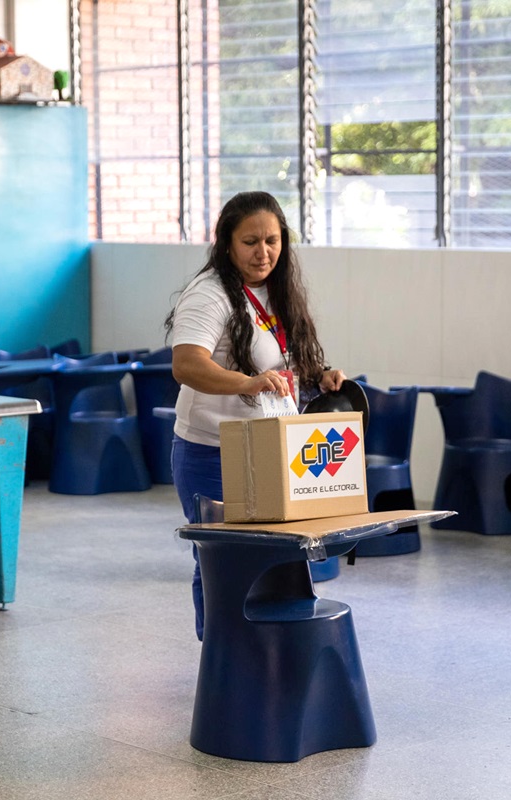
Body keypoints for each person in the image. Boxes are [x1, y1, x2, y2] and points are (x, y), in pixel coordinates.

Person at [165, 190, 347, 641]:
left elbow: (281, 361)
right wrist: (246, 381)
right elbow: (186, 364)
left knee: (276, 558)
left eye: (272, 240)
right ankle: (221, 663)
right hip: (212, 453)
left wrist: (317, 375)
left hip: (269, 450)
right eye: (250, 242)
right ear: (227, 243)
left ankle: (264, 660)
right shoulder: (209, 295)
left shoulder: (276, 290)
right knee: (221, 563)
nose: (263, 252)